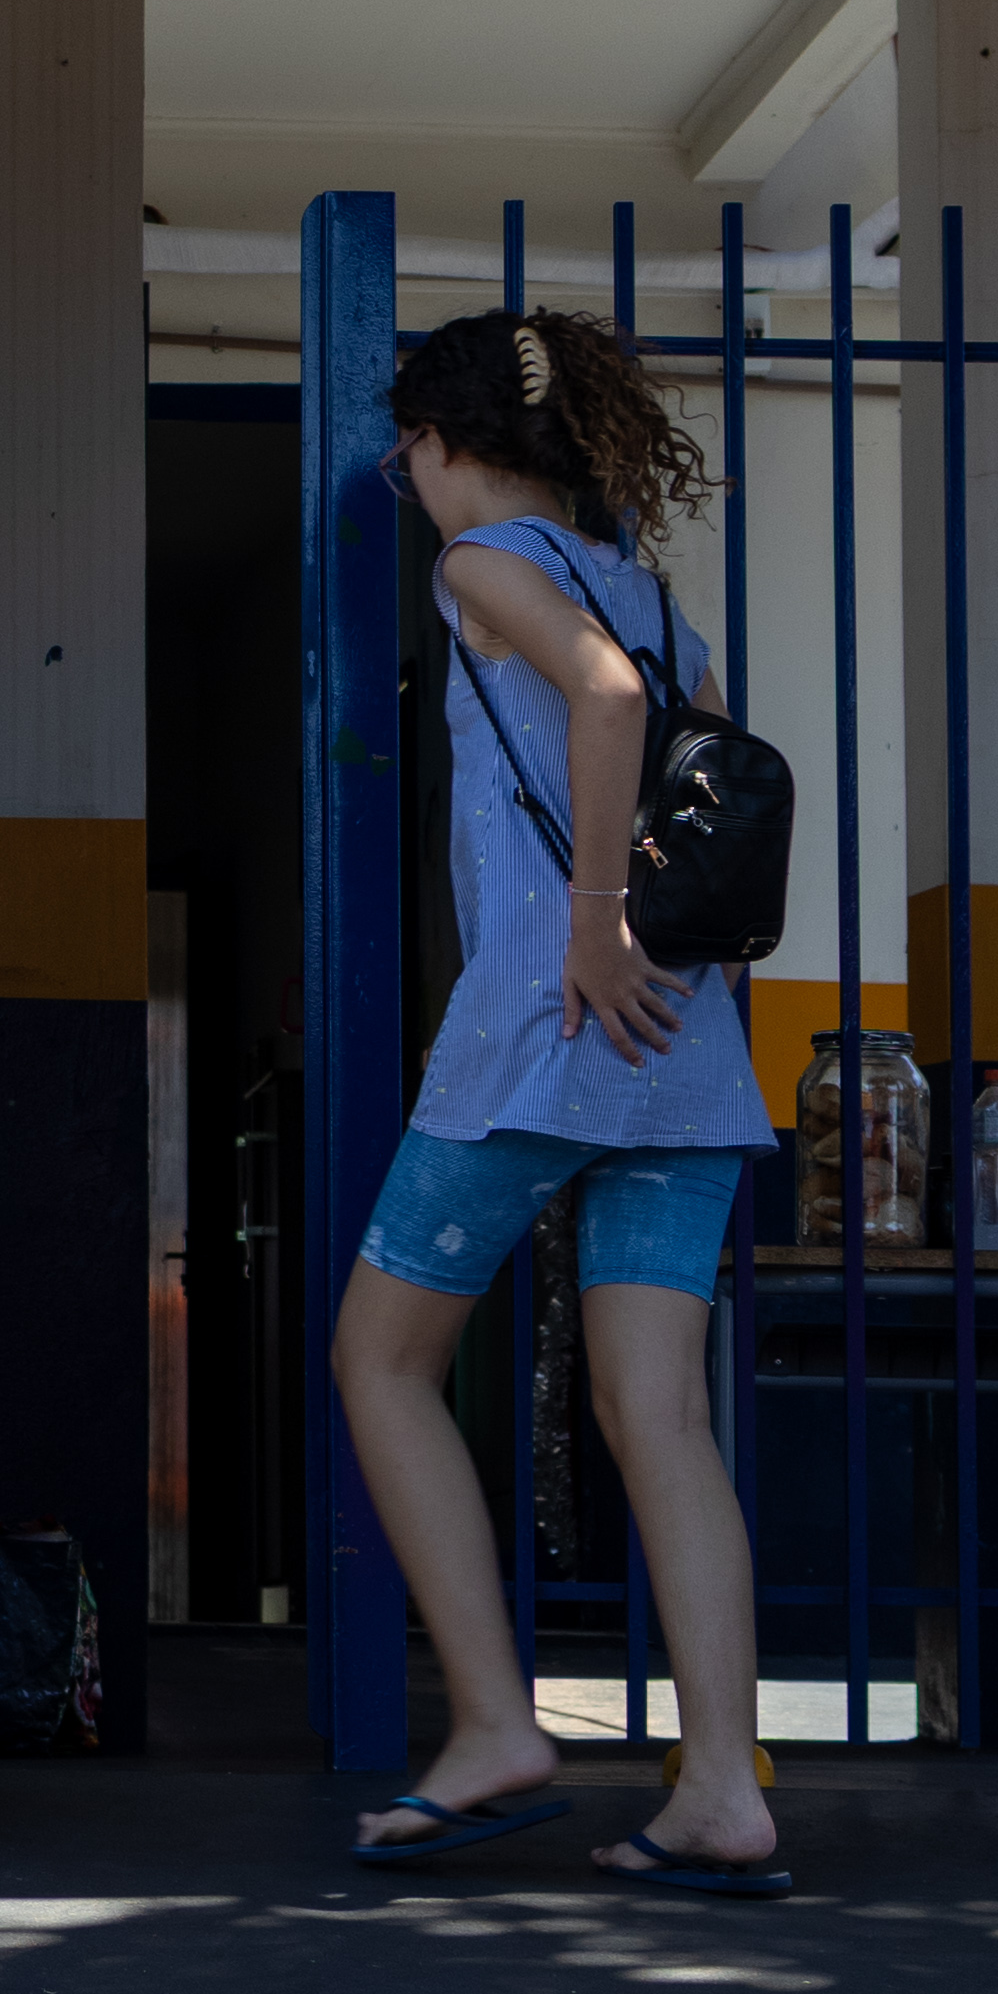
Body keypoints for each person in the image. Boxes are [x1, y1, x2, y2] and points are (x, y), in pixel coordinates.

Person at [333, 306, 786, 1896]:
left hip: (551, 1026)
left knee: (382, 1359)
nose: (407, 481)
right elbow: (694, 742)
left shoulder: (479, 568)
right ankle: (721, 1791)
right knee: (660, 1413)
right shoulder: (651, 595)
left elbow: (601, 701)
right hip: (688, 1047)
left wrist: (592, 923)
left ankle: (491, 1727)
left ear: (445, 444)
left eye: (405, 452)